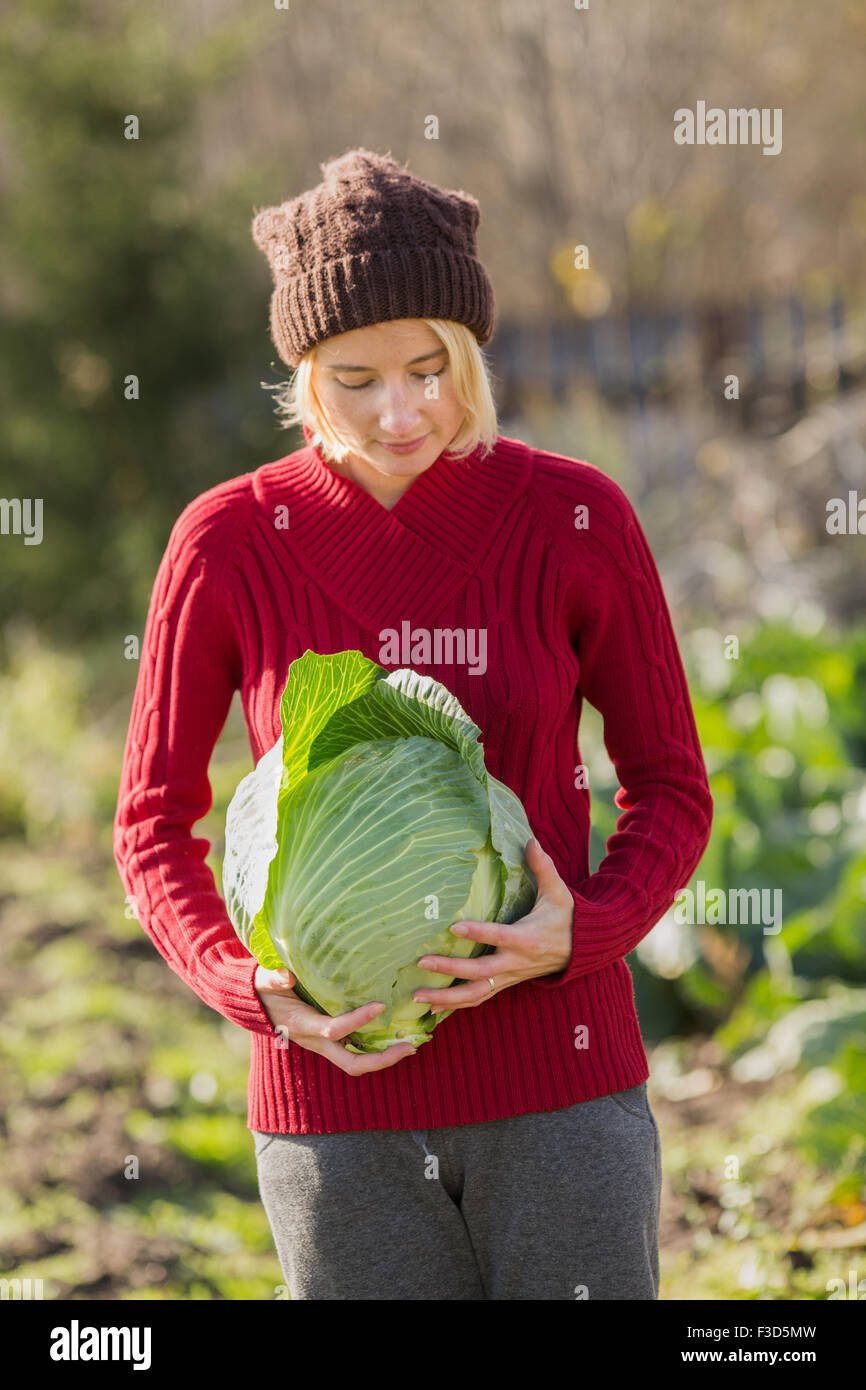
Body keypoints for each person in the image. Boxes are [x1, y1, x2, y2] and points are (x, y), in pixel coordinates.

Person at [113, 147, 714, 1301]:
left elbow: (669, 787)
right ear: (301, 374)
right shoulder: (226, 543)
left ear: (472, 356)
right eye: (356, 378)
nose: (402, 413)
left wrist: (579, 933)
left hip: (563, 1090)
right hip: (336, 1113)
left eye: (432, 368)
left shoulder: (574, 516)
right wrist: (257, 991)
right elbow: (150, 823)